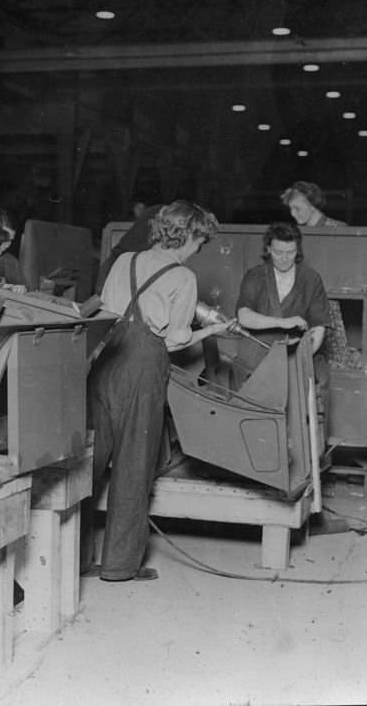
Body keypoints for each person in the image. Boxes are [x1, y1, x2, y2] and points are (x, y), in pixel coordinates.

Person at [88, 201, 230, 582]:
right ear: (186, 236)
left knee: (90, 462)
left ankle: (77, 557)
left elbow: (107, 314)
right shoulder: (183, 278)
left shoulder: (123, 262)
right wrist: (211, 331)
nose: (197, 251)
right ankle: (119, 566)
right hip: (143, 370)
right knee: (135, 466)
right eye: (199, 242)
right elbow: (172, 341)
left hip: (104, 366)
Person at [234, 221, 330, 430]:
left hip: (295, 356)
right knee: (256, 421)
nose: (285, 258)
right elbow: (244, 316)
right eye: (279, 252)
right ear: (268, 249)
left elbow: (319, 325)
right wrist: (283, 322)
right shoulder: (256, 276)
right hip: (257, 357)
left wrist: (301, 359)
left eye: (291, 252)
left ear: (298, 250)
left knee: (295, 424)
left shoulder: (310, 279)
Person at [280, 181, 360, 370]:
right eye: (290, 209)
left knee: (333, 364)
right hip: (301, 305)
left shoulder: (339, 229)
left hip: (331, 306)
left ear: (312, 204)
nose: (293, 214)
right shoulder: (294, 234)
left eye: (297, 208)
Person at [0, 209, 27, 292]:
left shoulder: (9, 261)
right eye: (3, 238)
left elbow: (24, 291)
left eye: (10, 240)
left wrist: (17, 289)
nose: (7, 245)